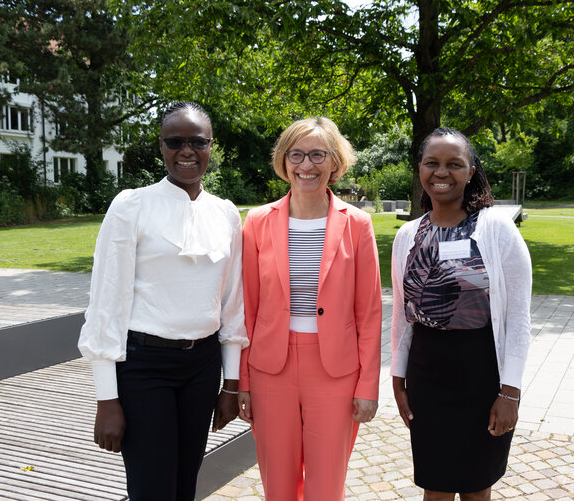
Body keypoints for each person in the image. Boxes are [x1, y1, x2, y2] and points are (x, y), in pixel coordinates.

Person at [78, 101, 248, 501]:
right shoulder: (130, 206)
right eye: (175, 142)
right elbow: (106, 305)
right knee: (152, 489)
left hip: (202, 369)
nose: (186, 151)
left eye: (197, 142)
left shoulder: (226, 214)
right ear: (161, 147)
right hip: (144, 368)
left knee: (185, 484)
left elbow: (232, 303)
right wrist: (107, 398)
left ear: (211, 147)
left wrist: (231, 383)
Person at [238, 117, 382, 501]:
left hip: (335, 372)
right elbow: (246, 310)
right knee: (279, 486)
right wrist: (243, 382)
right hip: (270, 370)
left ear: (335, 162)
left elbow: (368, 313)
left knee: (326, 486)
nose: (307, 165)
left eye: (318, 154)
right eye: (296, 154)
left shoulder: (357, 224)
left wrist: (368, 385)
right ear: (283, 162)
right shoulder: (256, 222)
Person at [390, 127, 532, 501]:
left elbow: (518, 316)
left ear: (471, 172)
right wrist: (397, 377)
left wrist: (511, 393)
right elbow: (402, 316)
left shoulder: (496, 229)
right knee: (434, 483)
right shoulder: (408, 235)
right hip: (426, 374)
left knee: (475, 484)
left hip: (481, 374)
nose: (442, 172)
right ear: (420, 169)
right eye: (432, 163)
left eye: (454, 164)